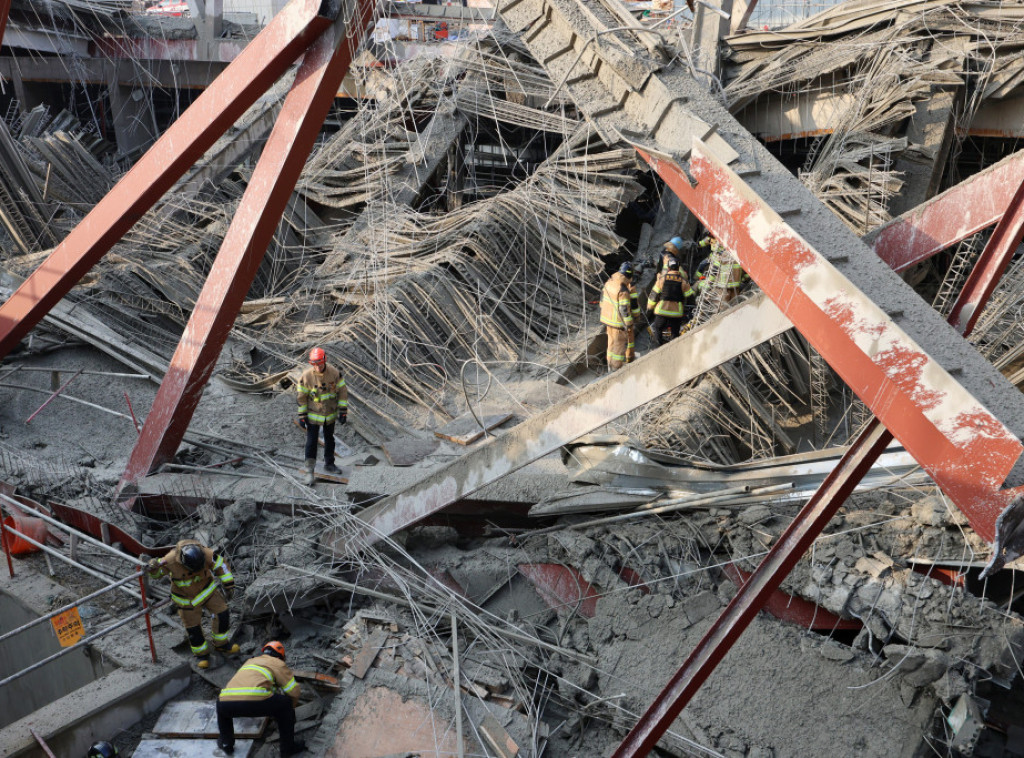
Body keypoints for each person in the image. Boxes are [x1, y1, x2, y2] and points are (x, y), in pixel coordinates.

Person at [147, 539, 239, 669]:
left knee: (222, 614)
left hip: (207, 591)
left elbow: (221, 565)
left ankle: (222, 644)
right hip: (186, 599)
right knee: (193, 629)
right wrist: (153, 568)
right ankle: (202, 655)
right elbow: (157, 575)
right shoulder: (170, 560)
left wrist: (229, 585)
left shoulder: (206, 553)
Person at [217, 641, 304, 756]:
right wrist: (289, 713)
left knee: (221, 705)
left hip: (226, 703)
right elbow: (294, 691)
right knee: (285, 704)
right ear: (281, 656)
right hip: (254, 701)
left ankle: (226, 744)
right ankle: (288, 749)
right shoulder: (277, 663)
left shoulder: (250, 661)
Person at [297, 347, 348, 486]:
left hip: (329, 413)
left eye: (319, 363)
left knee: (329, 439)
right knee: (312, 442)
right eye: (314, 364)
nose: (317, 367)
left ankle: (329, 464)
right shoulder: (307, 376)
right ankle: (309, 471)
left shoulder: (334, 373)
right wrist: (302, 415)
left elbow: (342, 391)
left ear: (324, 360)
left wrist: (343, 410)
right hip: (314, 414)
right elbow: (301, 397)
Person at [647, 259, 693, 345]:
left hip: (662, 311)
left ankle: (659, 346)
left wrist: (650, 307)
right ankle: (674, 348)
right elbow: (690, 297)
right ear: (678, 268)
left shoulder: (662, 280)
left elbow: (653, 295)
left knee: (657, 329)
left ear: (668, 269)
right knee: (675, 333)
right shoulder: (683, 281)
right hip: (676, 313)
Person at [600, 262, 636, 371]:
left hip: (607, 319)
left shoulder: (609, 282)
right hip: (617, 323)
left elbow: (602, 300)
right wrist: (629, 324)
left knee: (610, 344)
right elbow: (624, 310)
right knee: (619, 347)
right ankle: (616, 369)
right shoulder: (623, 290)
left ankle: (609, 366)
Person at [698, 235, 748, 302]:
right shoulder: (738, 257)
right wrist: (743, 279)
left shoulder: (720, 258)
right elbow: (746, 272)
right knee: (735, 302)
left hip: (724, 285)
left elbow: (714, 271)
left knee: (724, 304)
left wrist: (708, 285)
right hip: (736, 285)